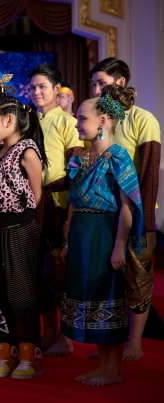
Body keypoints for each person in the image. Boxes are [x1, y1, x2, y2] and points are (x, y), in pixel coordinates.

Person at [60, 85, 145, 386]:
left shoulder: (117, 156)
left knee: (106, 297)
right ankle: (103, 366)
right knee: (89, 299)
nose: (76, 123)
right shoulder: (79, 158)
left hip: (105, 234)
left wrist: (119, 246)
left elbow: (127, 207)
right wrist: (69, 241)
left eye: (82, 118)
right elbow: (71, 204)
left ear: (103, 120)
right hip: (82, 235)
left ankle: (114, 369)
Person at [90, 58, 160, 361]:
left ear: (120, 83)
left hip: (136, 216)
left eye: (101, 83)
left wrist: (143, 223)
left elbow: (148, 174)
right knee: (107, 283)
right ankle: (109, 344)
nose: (96, 89)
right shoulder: (102, 119)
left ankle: (135, 343)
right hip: (104, 216)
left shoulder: (143, 119)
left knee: (137, 281)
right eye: (93, 84)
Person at [0, 96, 47, 380]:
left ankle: (31, 353)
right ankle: (5, 352)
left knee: (22, 296)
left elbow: (38, 198)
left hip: (20, 231)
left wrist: (36, 235)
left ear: (8, 120)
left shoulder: (27, 152)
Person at [28, 64, 84, 355]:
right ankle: (48, 330)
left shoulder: (67, 122)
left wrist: (69, 216)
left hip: (58, 205)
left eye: (42, 87)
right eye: (33, 87)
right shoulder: (28, 121)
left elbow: (75, 169)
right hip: (31, 205)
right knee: (37, 272)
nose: (37, 92)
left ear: (55, 89)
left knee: (59, 272)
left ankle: (67, 336)